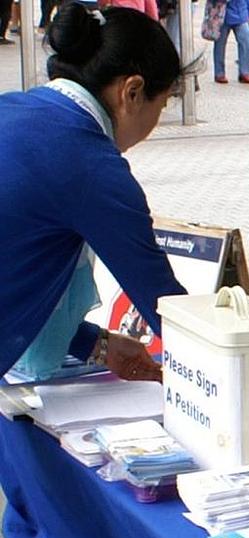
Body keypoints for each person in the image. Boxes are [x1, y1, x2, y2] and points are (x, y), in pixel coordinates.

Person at [0, 2, 186, 382]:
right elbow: (170, 310)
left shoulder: (11, 108)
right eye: (163, 104)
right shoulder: (92, 165)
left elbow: (18, 264)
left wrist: (96, 344)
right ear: (132, 91)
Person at [213, 0, 249, 84]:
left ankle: (244, 72)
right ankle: (219, 73)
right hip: (222, 13)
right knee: (220, 45)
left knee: (245, 41)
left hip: (241, 11)